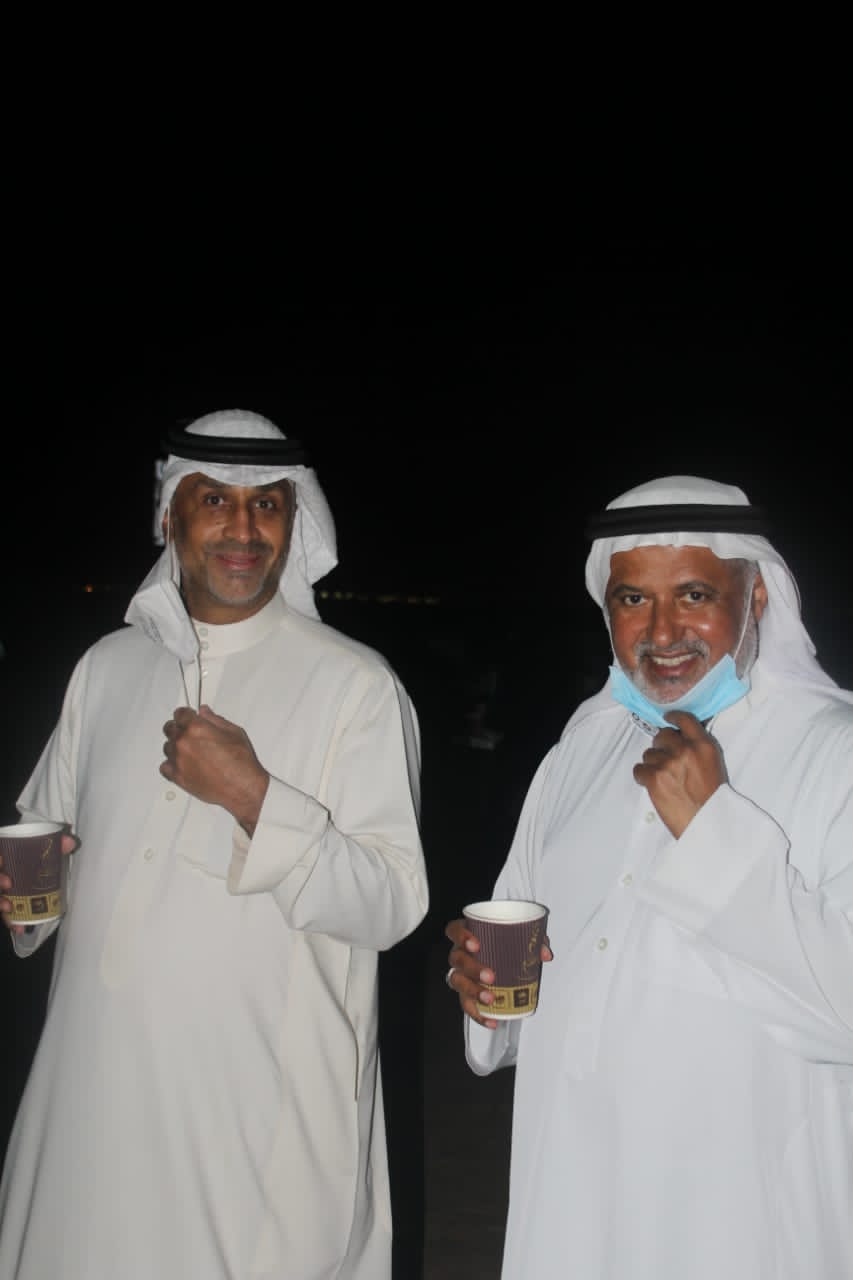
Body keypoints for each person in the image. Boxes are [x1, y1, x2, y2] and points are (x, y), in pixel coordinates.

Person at [0, 409, 428, 1280]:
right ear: (170, 517)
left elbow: (390, 904)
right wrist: (24, 903)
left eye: (266, 504)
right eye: (214, 501)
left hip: (255, 1111)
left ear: (294, 522)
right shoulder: (107, 668)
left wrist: (255, 798)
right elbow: (42, 852)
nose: (242, 528)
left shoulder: (355, 684)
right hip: (91, 1093)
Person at [445, 474, 852, 1280]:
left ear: (756, 596)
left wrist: (711, 831)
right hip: (571, 1195)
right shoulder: (583, 748)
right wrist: (487, 993)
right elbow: (529, 953)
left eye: (693, 594)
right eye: (633, 600)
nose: (662, 631)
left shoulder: (832, 751)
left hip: (745, 1219)